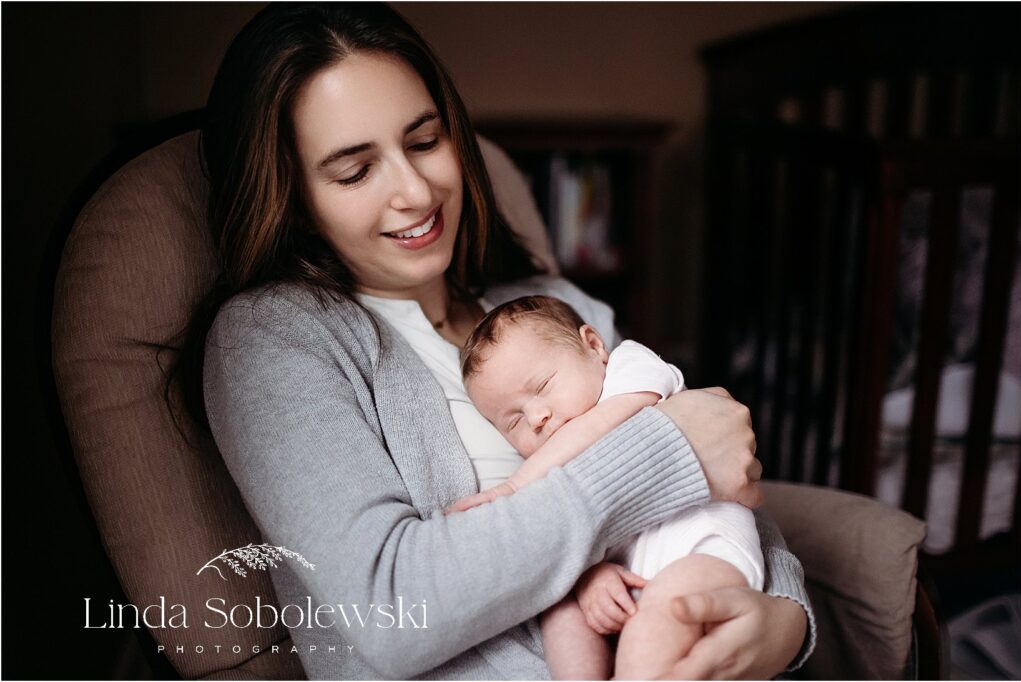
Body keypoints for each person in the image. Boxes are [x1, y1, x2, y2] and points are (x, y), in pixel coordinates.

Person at [173, 3, 815, 679]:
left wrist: (785, 618)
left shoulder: (555, 306)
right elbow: (391, 611)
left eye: (424, 142)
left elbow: (718, 500)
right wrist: (668, 454)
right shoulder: (273, 342)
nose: (416, 192)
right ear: (294, 198)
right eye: (356, 171)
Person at [449, 295, 764, 679]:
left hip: (702, 549)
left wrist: (516, 488)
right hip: (631, 571)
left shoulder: (630, 368)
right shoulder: (549, 458)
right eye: (512, 421)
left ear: (594, 345)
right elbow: (573, 531)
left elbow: (601, 427)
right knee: (557, 608)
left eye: (544, 385)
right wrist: (587, 576)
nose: (536, 418)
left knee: (658, 624)